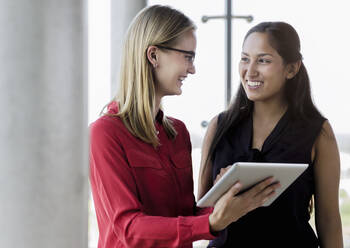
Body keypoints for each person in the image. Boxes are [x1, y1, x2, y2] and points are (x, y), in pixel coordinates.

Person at [89, 5, 280, 248]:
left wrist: (225, 196)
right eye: (187, 57)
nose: (192, 69)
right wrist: (211, 222)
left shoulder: (177, 133)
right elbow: (128, 228)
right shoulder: (105, 133)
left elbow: (185, 215)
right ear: (153, 55)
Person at [198, 22, 343, 247]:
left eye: (263, 60)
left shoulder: (318, 132)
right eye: (245, 59)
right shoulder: (220, 126)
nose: (250, 70)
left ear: (292, 69)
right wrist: (222, 193)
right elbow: (200, 215)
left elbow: (329, 220)